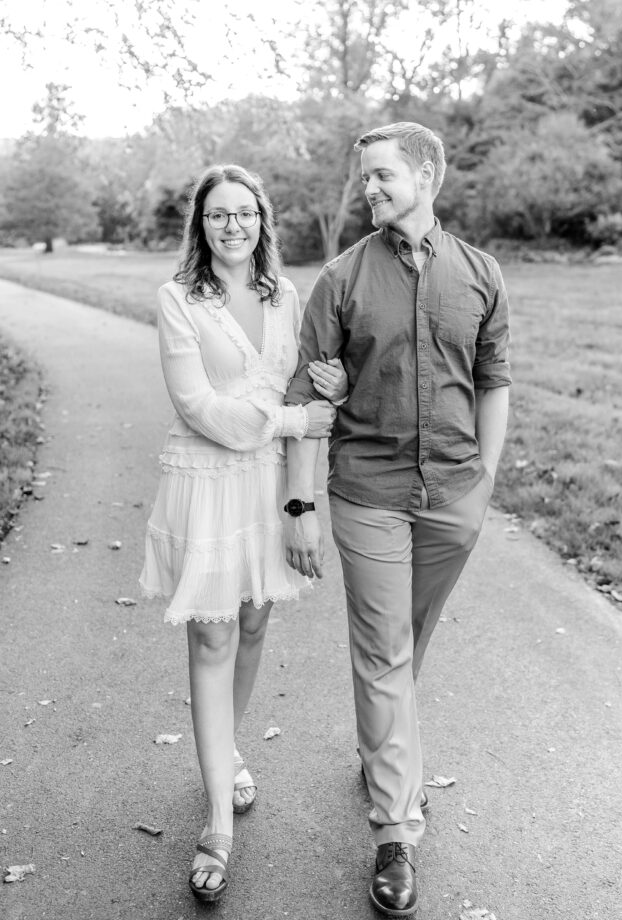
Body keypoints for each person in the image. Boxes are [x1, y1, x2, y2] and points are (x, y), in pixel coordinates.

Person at [284, 122, 511, 917]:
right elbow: (310, 404)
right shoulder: (340, 280)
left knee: (408, 646)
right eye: (366, 178)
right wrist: (299, 505)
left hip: (454, 499)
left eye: (383, 176)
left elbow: (493, 378)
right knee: (383, 652)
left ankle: (386, 750)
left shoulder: (480, 274)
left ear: (426, 174)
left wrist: (484, 477)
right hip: (367, 493)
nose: (370, 189)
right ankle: (395, 831)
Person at [138, 164, 346, 903]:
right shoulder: (176, 299)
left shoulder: (285, 296)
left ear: (263, 222)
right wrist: (295, 420)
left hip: (266, 488)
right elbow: (199, 406)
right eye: (218, 215)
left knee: (255, 624)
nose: (234, 226)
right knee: (213, 635)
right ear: (200, 224)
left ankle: (222, 752)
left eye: (245, 214)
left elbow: (311, 386)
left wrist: (305, 483)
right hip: (206, 481)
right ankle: (218, 821)